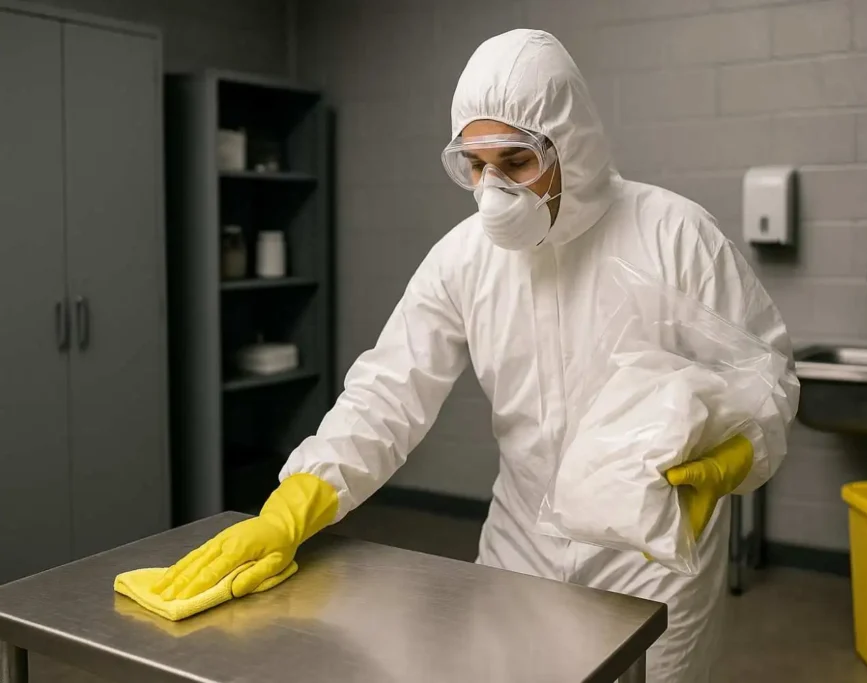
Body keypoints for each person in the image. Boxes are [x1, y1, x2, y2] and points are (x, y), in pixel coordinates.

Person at [154, 29, 799, 682]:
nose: (493, 189)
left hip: (655, 557)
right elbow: (388, 393)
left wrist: (735, 458)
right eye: (475, 163)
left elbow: (769, 378)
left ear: (566, 145)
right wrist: (293, 505)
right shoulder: (463, 259)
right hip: (520, 548)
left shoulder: (675, 235)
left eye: (515, 162)